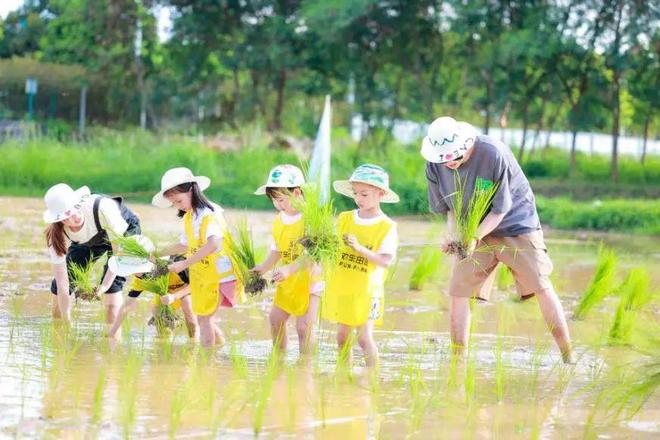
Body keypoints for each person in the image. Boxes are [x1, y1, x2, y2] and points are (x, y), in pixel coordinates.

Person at [422, 116, 574, 363]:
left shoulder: (493, 154)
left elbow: (500, 209)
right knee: (458, 290)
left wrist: (473, 237)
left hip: (515, 223)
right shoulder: (434, 164)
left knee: (540, 284)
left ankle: (568, 354)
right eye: (443, 158)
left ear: (465, 145)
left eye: (453, 156)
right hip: (471, 227)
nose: (449, 162)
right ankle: (458, 360)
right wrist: (454, 236)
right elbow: (450, 208)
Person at [152, 167, 242, 348]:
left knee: (204, 318)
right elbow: (185, 245)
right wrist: (157, 253)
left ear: (192, 189)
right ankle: (220, 350)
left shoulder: (209, 213)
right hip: (204, 275)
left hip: (220, 274)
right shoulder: (190, 216)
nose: (179, 206)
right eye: (174, 203)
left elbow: (214, 244)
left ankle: (206, 361)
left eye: (179, 200)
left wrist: (184, 263)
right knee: (204, 316)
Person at [322, 164, 399, 368]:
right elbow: (332, 247)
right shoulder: (345, 218)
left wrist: (360, 249)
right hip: (344, 287)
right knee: (341, 337)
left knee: (364, 338)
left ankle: (372, 379)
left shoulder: (387, 226)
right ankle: (343, 376)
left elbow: (385, 261)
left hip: (367, 291)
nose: (358, 198)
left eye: (364, 194)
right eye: (355, 193)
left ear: (380, 193)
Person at [43, 183, 140, 323]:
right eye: (68, 216)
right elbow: (63, 284)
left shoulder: (102, 207)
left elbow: (118, 255)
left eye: (76, 209)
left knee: (112, 287)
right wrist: (66, 320)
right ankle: (57, 332)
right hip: (87, 240)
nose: (76, 217)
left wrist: (104, 286)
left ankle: (112, 338)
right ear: (60, 220)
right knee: (63, 282)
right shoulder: (56, 236)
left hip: (122, 234)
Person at [252, 164, 323, 355]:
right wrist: (263, 268)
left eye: (282, 199)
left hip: (310, 281)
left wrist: (289, 269)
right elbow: (277, 249)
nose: (279, 205)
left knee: (304, 326)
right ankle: (279, 358)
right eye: (275, 200)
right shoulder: (279, 219)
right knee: (275, 319)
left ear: (297, 193)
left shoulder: (311, 217)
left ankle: (305, 365)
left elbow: (313, 254)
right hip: (289, 279)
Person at [105, 235, 201, 341]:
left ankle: (194, 348)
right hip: (165, 297)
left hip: (189, 290)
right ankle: (164, 350)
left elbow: (195, 285)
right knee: (159, 318)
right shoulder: (140, 279)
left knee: (188, 306)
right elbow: (127, 305)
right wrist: (113, 331)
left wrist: (174, 297)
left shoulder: (174, 264)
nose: (134, 273)